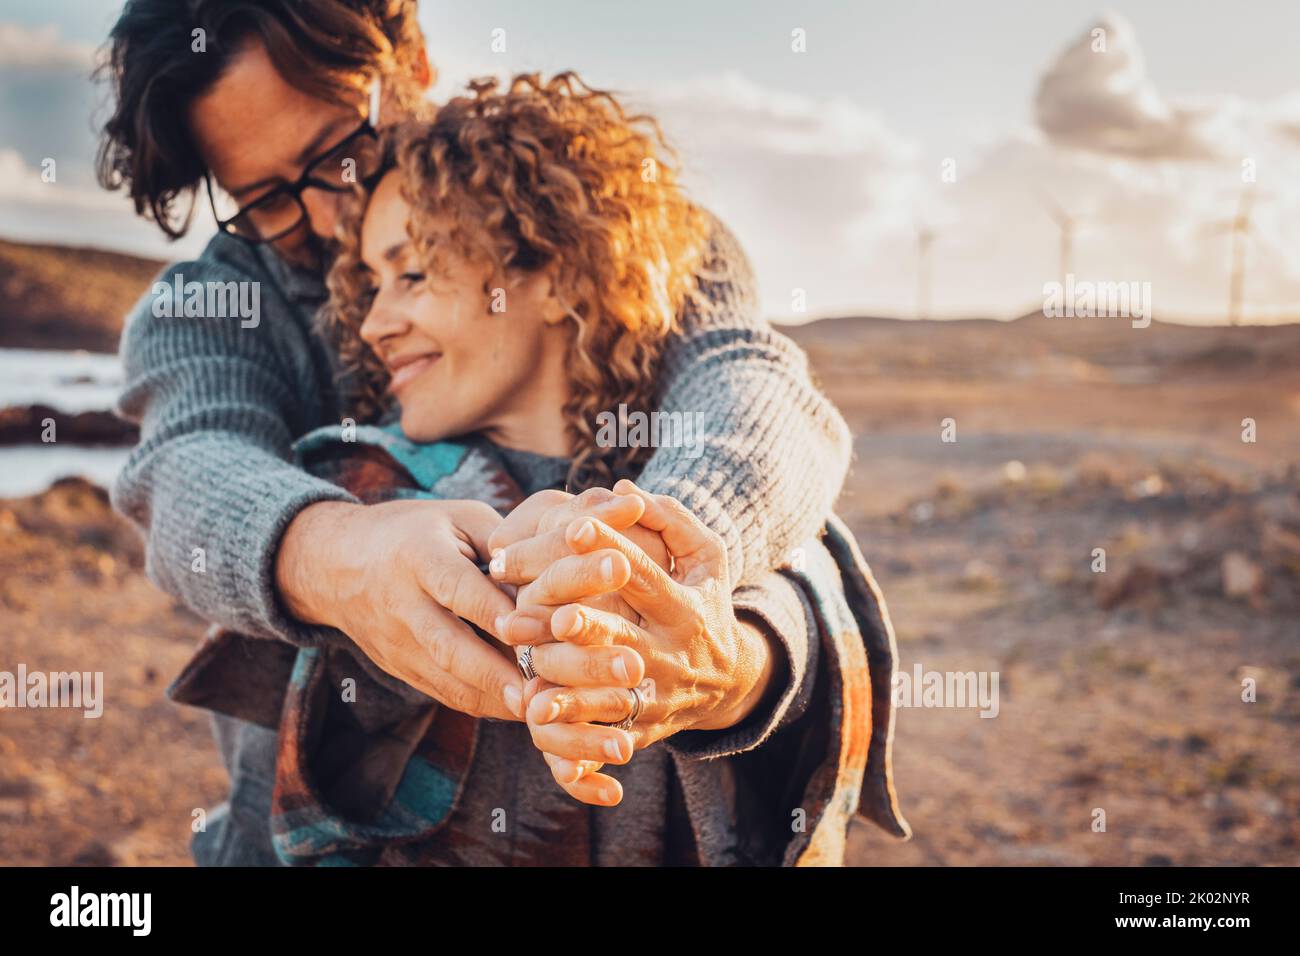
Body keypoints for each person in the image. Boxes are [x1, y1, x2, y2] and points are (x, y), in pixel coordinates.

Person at [95, 0, 863, 863]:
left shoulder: (626, 221)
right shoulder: (216, 305)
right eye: (263, 199)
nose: (326, 222)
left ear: (412, 60)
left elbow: (747, 387)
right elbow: (188, 468)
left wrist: (635, 566)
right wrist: (344, 558)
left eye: (339, 157)